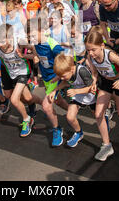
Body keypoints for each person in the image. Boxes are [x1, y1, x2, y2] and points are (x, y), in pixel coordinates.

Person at [85, 31, 119, 161]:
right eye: (88, 50)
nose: (91, 53)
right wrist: (93, 81)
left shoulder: (111, 56)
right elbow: (94, 71)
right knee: (98, 114)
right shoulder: (90, 56)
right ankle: (106, 145)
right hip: (105, 83)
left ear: (102, 45)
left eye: (93, 49)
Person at [22, 18, 68, 147]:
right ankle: (71, 112)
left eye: (32, 35)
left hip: (55, 78)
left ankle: (57, 129)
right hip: (47, 79)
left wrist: (59, 77)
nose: (30, 38)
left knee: (46, 106)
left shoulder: (53, 45)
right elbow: (36, 56)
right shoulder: (36, 44)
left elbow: (67, 61)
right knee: (58, 101)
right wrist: (24, 56)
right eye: (28, 36)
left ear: (41, 31)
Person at [48, 54, 96, 148]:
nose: (61, 78)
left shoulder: (82, 71)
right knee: (70, 117)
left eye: (63, 76)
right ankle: (79, 133)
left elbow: (91, 88)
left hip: (90, 96)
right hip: (77, 96)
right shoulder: (68, 73)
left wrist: (76, 91)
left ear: (71, 69)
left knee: (98, 116)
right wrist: (55, 90)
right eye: (59, 76)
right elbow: (65, 82)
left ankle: (105, 118)